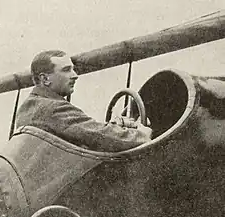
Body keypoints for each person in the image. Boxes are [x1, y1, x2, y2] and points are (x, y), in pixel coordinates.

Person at [15, 50, 152, 152]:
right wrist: (141, 135)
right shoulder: (52, 108)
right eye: (66, 70)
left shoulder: (27, 107)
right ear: (45, 79)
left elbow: (82, 132)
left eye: (73, 69)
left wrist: (113, 126)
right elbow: (98, 134)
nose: (75, 76)